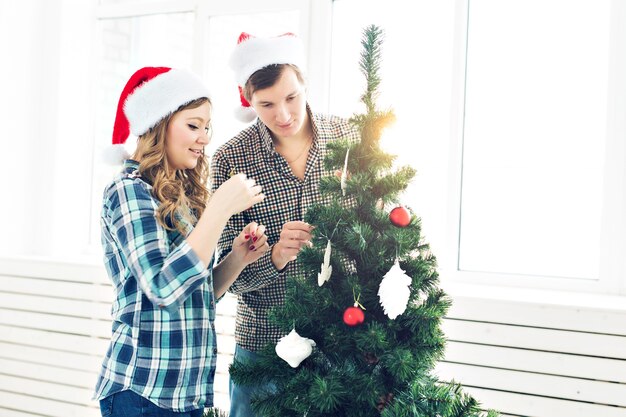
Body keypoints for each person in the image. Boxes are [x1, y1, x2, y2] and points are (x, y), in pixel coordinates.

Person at [93, 66, 268, 417]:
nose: (204, 138)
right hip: (142, 393)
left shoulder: (181, 197)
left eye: (207, 127)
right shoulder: (129, 191)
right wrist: (219, 208)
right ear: (158, 125)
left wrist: (237, 258)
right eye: (192, 125)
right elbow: (162, 289)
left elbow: (193, 293)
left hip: (185, 396)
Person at [210, 33, 361, 417]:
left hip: (341, 339)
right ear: (248, 100)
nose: (284, 115)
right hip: (262, 346)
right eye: (267, 104)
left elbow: (375, 237)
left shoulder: (348, 140)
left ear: (304, 84)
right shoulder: (231, 158)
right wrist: (275, 254)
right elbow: (226, 279)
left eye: (291, 97)